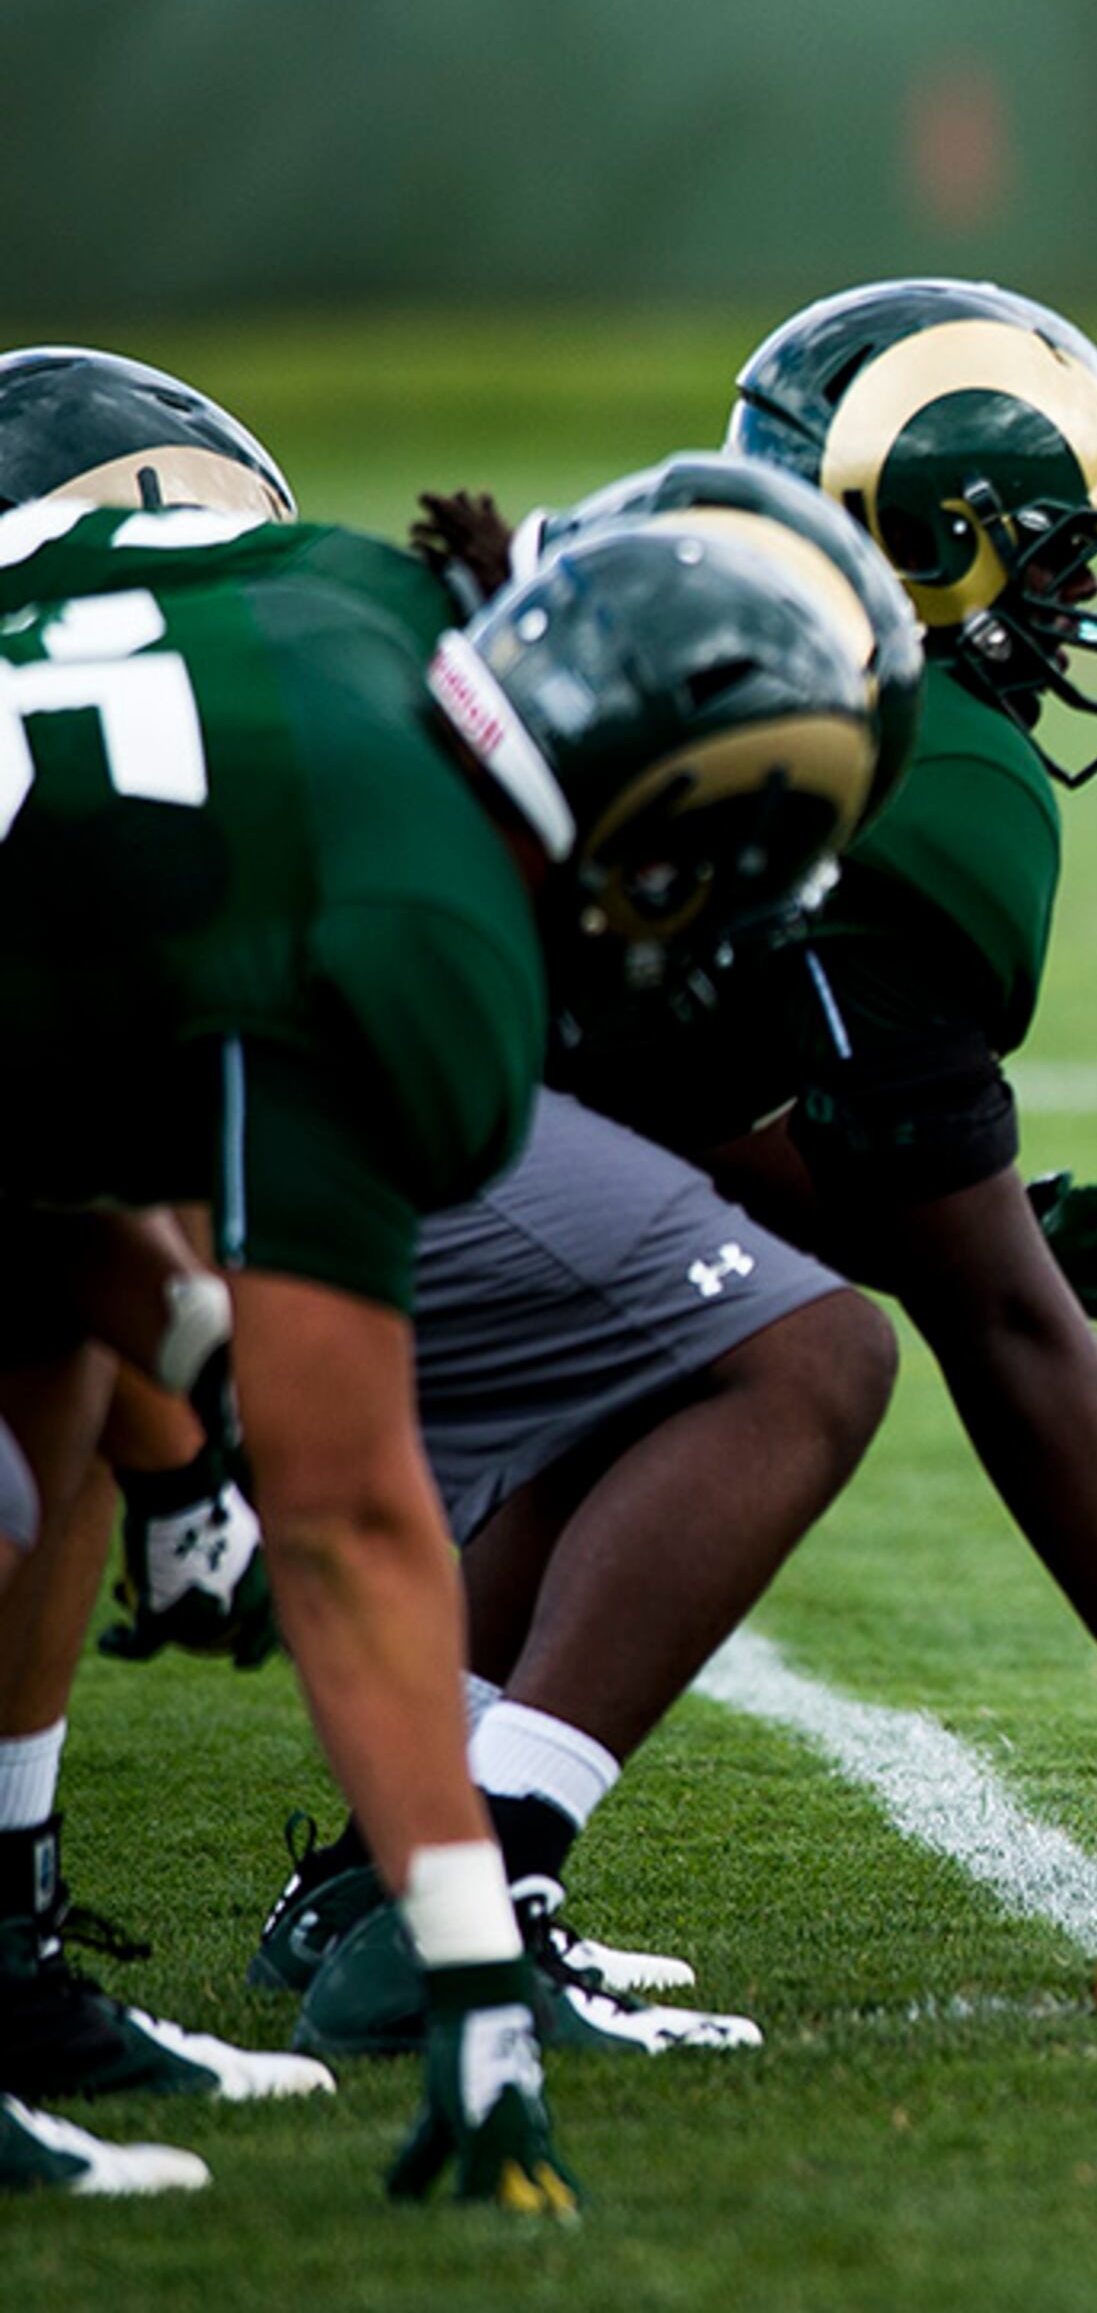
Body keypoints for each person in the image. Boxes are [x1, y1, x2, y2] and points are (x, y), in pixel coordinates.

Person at [247, 283, 1097, 1981]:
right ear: (931, 547)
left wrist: (924, 1204)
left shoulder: (666, 582)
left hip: (294, 1073)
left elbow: (640, 1118)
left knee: (662, 1316)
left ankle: (380, 1884)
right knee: (809, 1361)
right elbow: (995, 1324)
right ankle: (470, 1911)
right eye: (1059, 559)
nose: (1085, 606)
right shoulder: (915, 778)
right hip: (287, 1119)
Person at [0, 419, 884, 2208]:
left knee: (40, 1383)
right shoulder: (417, 924)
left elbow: (47, 1115)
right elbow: (343, 1517)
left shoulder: (358, 590)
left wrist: (182, 1382)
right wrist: (476, 1975)